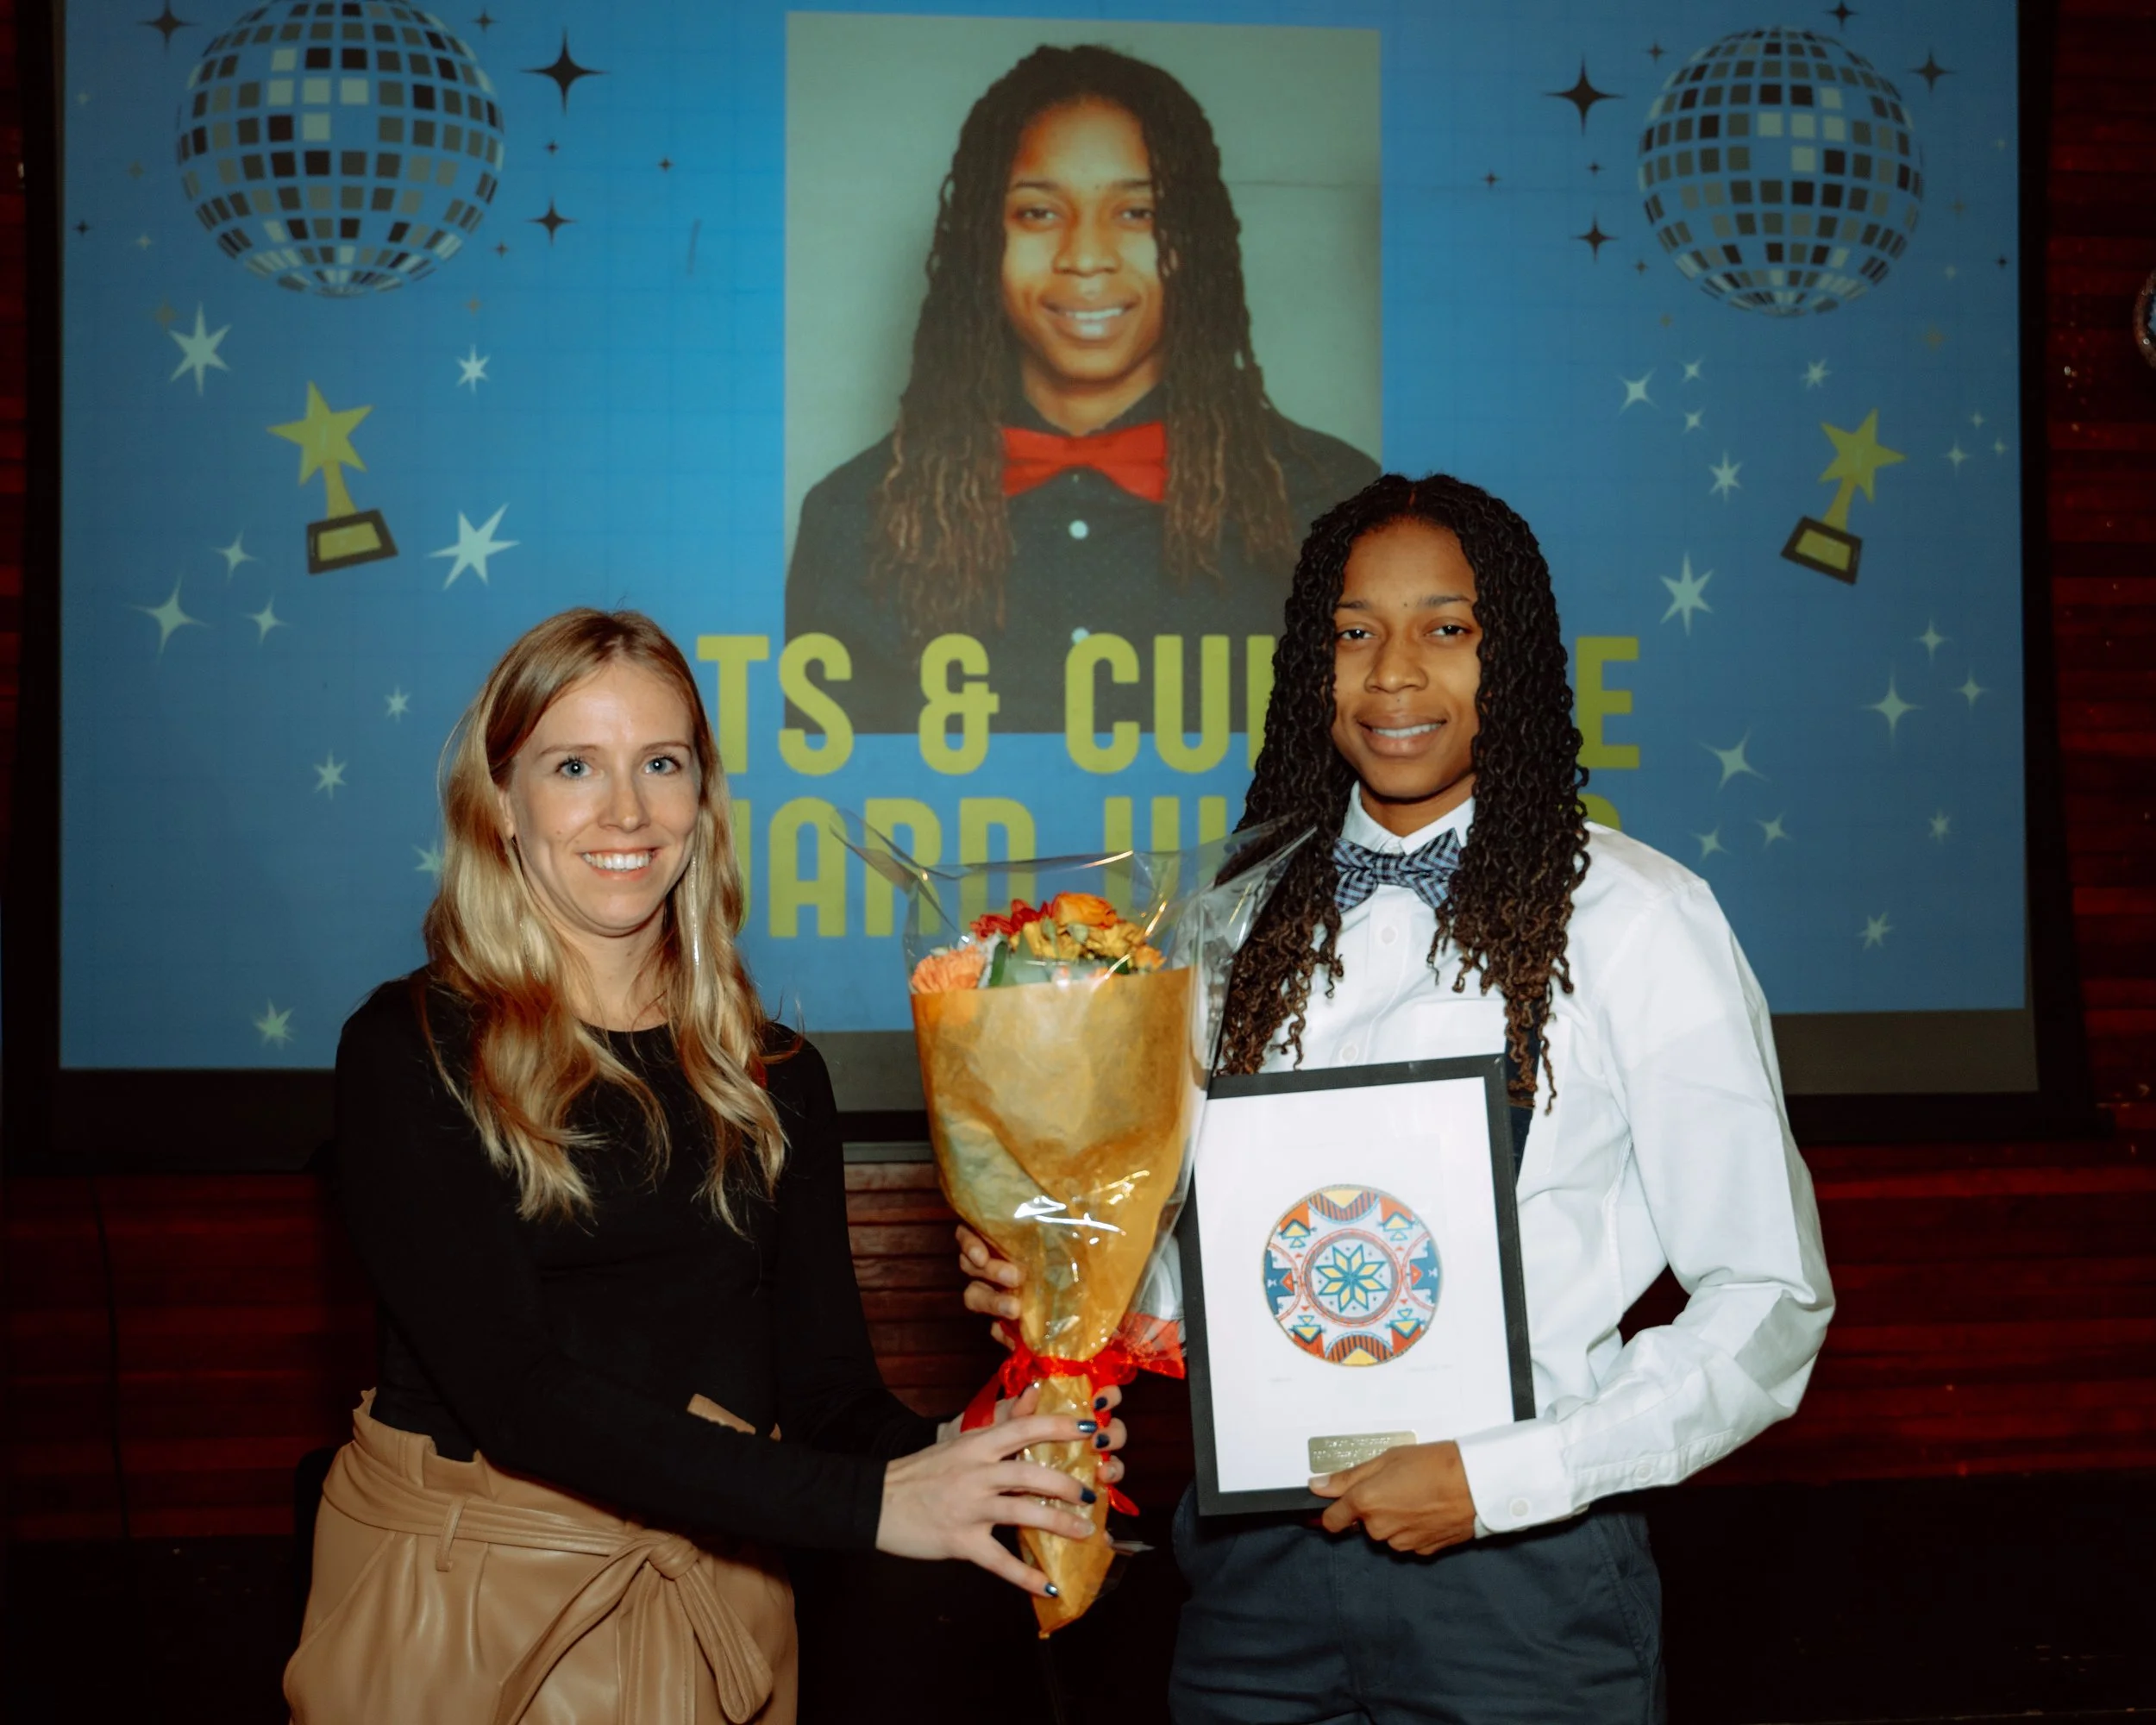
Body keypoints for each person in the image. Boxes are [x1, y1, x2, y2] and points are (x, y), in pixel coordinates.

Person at [957, 474, 1834, 1722]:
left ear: (1512, 653)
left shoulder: (1638, 921)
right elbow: (1211, 1270)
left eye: (1446, 628)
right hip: (1254, 1591)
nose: (1393, 675)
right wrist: (1077, 1285)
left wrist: (1506, 1479)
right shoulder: (1224, 927)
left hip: (1523, 1594)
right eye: (1353, 632)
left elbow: (1770, 1299)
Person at [285, 609, 1126, 1723]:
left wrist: (974, 1449)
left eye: (661, 763)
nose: (626, 810)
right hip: (476, 1614)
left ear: (702, 798)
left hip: (724, 1610)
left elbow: (823, 1394)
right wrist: (873, 1502)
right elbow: (520, 1399)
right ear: (502, 804)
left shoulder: (779, 1072)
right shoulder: (410, 1046)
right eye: (575, 765)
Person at [785, 42, 1377, 733]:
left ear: (1197, 242)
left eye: (1138, 214)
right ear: (984, 240)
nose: (1086, 256)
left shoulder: (1334, 502)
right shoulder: (852, 517)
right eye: (1038, 213)